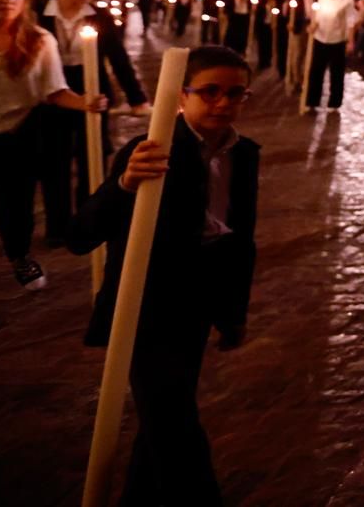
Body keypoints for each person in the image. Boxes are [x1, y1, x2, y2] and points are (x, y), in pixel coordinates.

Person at [69, 45, 260, 506]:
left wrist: (233, 314)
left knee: (162, 421)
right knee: (174, 424)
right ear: (181, 96)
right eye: (209, 92)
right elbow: (81, 234)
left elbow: (239, 241)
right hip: (145, 308)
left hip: (195, 309)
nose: (222, 103)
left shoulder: (246, 154)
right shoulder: (150, 150)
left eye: (235, 94)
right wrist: (125, 185)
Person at [0, 0, 106, 329]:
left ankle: (19, 255)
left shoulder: (39, 40)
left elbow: (53, 90)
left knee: (15, 212)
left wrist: (86, 102)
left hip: (17, 138)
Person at [36, 0, 150, 246]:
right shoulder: (40, 16)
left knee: (93, 159)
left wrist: (137, 98)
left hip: (93, 93)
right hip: (53, 95)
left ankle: (87, 222)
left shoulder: (99, 17)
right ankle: (58, 226)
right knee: (55, 163)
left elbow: (119, 59)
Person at [306, 0, 356, 112]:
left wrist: (350, 41)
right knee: (316, 71)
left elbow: (350, 22)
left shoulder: (347, 1)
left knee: (336, 73)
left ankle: (334, 103)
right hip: (320, 39)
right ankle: (312, 102)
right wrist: (313, 26)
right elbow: (318, 17)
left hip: (337, 41)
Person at [283, 0, 316, 95]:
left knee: (308, 53)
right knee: (297, 53)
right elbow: (287, 11)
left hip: (312, 26)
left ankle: (304, 77)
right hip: (299, 25)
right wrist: (288, 22)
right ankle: (296, 79)